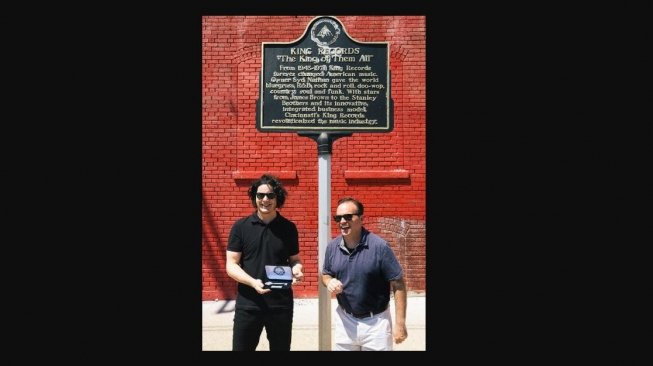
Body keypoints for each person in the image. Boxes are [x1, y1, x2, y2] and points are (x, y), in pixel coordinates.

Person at [226, 174, 304, 351]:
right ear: (255, 197)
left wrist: (297, 270)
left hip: (280, 305)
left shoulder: (288, 228)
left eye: (270, 195)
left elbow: (295, 260)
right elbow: (231, 265)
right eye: (260, 195)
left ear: (278, 198)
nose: (265, 200)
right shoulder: (241, 227)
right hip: (249, 304)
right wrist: (253, 282)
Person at [321, 196, 408, 351]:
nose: (342, 221)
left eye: (348, 217)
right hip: (345, 321)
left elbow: (398, 283)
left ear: (361, 218)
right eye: (338, 217)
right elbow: (326, 274)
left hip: (377, 324)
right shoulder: (332, 247)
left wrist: (400, 324)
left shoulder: (380, 247)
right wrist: (329, 282)